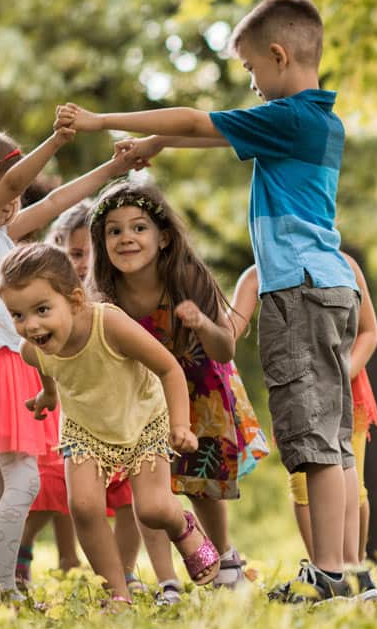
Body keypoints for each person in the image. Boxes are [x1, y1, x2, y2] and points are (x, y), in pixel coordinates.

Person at [57, 0, 361, 601]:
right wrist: (158, 145)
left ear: (279, 55)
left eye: (251, 68)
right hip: (329, 286)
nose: (250, 83)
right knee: (330, 439)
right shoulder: (317, 122)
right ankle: (344, 570)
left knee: (310, 440)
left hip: (298, 289)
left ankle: (331, 575)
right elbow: (211, 135)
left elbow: (199, 121)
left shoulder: (291, 117)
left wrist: (100, 121)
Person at [0, 124, 135, 601]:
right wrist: (56, 140)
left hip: (3, 367)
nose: (14, 198)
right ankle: (3, 590)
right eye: (3, 185)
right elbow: (16, 183)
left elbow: (54, 202)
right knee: (25, 479)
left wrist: (114, 169)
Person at [0, 243, 221, 604]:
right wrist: (48, 396)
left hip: (142, 419)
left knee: (152, 508)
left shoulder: (109, 323)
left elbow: (168, 368)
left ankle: (183, 525)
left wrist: (181, 425)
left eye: (42, 310)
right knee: (84, 507)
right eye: (18, 315)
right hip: (84, 430)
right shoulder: (33, 348)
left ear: (74, 300)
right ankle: (117, 594)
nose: (31, 325)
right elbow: (45, 367)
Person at [86, 182, 264, 589]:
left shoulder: (187, 278)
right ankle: (168, 579)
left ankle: (225, 559)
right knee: (149, 487)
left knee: (203, 485)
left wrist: (201, 323)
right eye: (114, 231)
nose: (126, 238)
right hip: (145, 398)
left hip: (201, 389)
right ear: (102, 241)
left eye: (138, 228)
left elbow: (224, 349)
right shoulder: (105, 297)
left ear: (163, 237)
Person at [231, 253, 377, 599]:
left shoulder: (345, 265)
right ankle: (323, 572)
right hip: (298, 393)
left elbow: (369, 332)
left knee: (352, 485)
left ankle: (353, 569)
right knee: (303, 484)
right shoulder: (259, 274)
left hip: (348, 395)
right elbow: (230, 327)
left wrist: (338, 377)